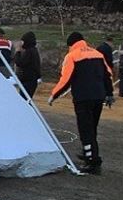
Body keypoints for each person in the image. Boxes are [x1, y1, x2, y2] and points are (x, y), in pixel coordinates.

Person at [48, 32, 114, 175]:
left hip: (83, 97)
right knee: (92, 127)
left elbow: (65, 79)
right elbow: (107, 75)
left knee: (85, 129)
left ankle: (92, 162)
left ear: (71, 44)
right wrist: (109, 93)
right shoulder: (97, 53)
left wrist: (54, 95)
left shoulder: (72, 56)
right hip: (98, 96)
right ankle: (88, 152)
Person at [13, 31, 41, 99]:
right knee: (26, 100)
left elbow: (20, 63)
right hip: (31, 80)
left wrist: (17, 52)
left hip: (28, 81)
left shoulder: (29, 51)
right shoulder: (34, 50)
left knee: (24, 101)